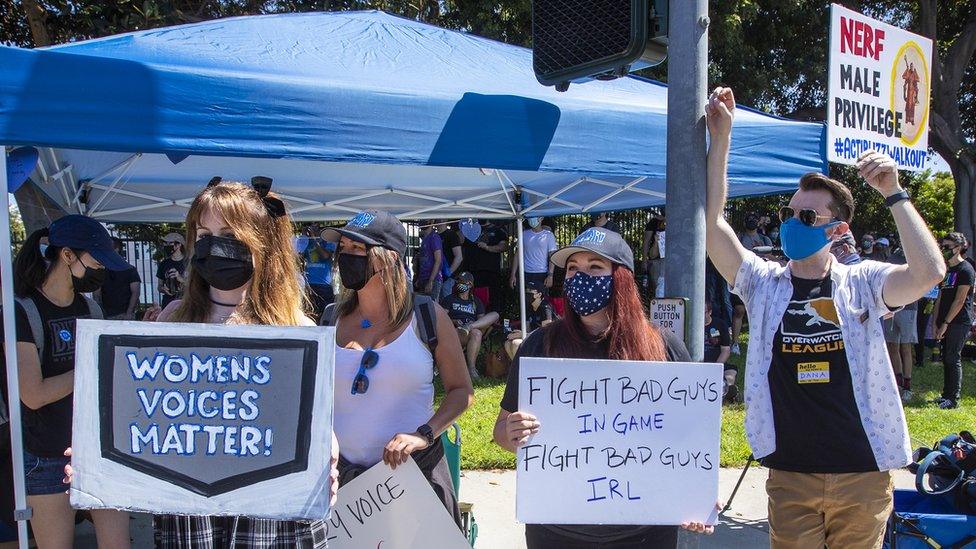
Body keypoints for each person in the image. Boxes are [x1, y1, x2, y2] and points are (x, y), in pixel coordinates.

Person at [705, 87, 945, 549]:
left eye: (806, 215)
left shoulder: (863, 283)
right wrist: (722, 140)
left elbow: (929, 272)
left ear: (837, 230)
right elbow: (713, 226)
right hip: (790, 471)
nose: (791, 222)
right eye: (788, 212)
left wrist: (894, 192)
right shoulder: (762, 282)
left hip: (861, 471)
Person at [493, 227, 712, 547]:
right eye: (573, 269)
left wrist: (697, 496)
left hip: (644, 533)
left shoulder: (663, 347)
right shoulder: (540, 345)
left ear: (620, 278)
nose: (581, 277)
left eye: (595, 267)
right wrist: (511, 433)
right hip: (555, 529)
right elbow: (501, 431)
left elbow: (693, 439)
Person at [149, 180, 339, 547]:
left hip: (271, 510)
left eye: (228, 233)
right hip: (194, 508)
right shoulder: (174, 319)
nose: (212, 244)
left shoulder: (296, 328)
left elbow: (315, 417)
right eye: (203, 233)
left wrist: (327, 451)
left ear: (261, 243)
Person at [321, 209, 473, 525]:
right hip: (343, 489)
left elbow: (462, 392)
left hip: (414, 477)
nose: (345, 256)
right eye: (343, 247)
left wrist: (425, 435)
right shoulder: (330, 318)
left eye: (357, 249)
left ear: (388, 259)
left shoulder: (427, 316)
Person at [11, 217, 132, 549]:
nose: (100, 269)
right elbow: (33, 394)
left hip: (98, 452)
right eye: (96, 260)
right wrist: (92, 366)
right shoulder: (22, 312)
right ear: (67, 255)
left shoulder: (91, 309)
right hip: (45, 454)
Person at [932, 232, 973, 410]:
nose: (944, 250)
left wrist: (946, 322)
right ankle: (945, 395)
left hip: (958, 321)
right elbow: (941, 297)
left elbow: (960, 300)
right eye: (943, 246)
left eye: (948, 247)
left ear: (959, 248)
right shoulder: (947, 270)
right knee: (945, 358)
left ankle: (953, 398)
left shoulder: (966, 270)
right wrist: (935, 321)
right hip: (944, 320)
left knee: (952, 357)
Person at [441, 271, 500, 380]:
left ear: (470, 284)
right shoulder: (449, 299)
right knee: (475, 333)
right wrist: (454, 321)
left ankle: (471, 368)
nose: (459, 284)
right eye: (458, 281)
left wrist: (472, 326)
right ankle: (472, 368)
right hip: (457, 332)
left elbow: (482, 321)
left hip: (473, 330)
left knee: (494, 315)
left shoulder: (476, 301)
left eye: (462, 282)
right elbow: (441, 319)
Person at [730, 214, 772, 355]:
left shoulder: (765, 239)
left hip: (762, 279)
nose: (752, 222)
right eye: (749, 219)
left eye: (755, 219)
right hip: (743, 278)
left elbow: (772, 256)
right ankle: (735, 343)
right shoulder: (739, 238)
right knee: (739, 310)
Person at [883, 249, 918, 402]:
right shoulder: (891, 257)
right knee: (892, 346)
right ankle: (897, 385)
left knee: (906, 347)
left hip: (908, 309)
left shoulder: (915, 257)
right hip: (890, 308)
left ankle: (908, 386)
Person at [461, 219, 509, 314]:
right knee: (471, 301)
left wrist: (487, 247)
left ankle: (492, 323)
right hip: (471, 272)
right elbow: (460, 242)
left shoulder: (498, 230)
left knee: (493, 302)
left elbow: (504, 247)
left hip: (491, 272)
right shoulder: (469, 229)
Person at [504, 282, 557, 360]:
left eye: (530, 290)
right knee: (508, 343)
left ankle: (523, 369)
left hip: (548, 343)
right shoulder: (529, 308)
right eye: (526, 290)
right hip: (535, 338)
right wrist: (517, 333)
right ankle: (517, 370)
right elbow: (527, 329)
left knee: (516, 344)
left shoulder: (545, 308)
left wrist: (523, 334)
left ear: (539, 294)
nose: (526, 293)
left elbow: (546, 333)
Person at [95, 237, 141, 320]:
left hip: (115, 313)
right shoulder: (130, 269)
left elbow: (136, 293)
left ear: (117, 249)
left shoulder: (102, 269)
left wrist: (129, 313)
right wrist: (129, 313)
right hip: (116, 313)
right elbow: (136, 292)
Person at [299, 222, 337, 323]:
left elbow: (325, 256)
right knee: (310, 314)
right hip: (310, 285)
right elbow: (298, 259)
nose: (310, 228)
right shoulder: (306, 242)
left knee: (326, 316)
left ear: (319, 227)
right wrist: (304, 238)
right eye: (308, 225)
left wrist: (315, 239)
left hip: (324, 285)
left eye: (313, 225)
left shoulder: (327, 241)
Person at [509, 217, 557, 291]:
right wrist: (513, 275)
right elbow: (517, 255)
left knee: (540, 301)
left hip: (541, 274)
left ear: (541, 218)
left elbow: (552, 256)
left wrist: (550, 275)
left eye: (534, 217)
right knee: (526, 300)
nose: (531, 219)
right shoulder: (524, 234)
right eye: (530, 217)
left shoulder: (548, 235)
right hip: (525, 273)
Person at [704, 302, 737, 404]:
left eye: (703, 312)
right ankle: (721, 391)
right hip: (697, 363)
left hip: (716, 363)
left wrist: (716, 367)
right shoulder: (689, 324)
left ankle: (728, 390)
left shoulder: (720, 325)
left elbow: (725, 351)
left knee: (731, 373)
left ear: (710, 312)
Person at [156, 232, 186, 309]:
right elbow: (159, 286)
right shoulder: (163, 264)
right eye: (165, 243)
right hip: (168, 304)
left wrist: (180, 278)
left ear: (179, 245)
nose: (166, 246)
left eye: (170, 243)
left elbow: (197, 285)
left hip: (186, 303)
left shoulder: (190, 263)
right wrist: (163, 289)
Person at [415, 220, 443, 299]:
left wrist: (431, 281)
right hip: (424, 278)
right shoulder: (425, 238)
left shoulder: (434, 237)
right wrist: (419, 278)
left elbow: (438, 260)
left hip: (433, 279)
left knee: (432, 306)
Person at [438, 221, 464, 299]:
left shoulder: (451, 235)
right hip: (437, 276)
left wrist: (449, 273)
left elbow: (459, 256)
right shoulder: (434, 236)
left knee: (446, 302)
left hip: (448, 278)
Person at [642, 214, 666, 298]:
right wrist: (644, 261)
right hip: (657, 260)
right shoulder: (654, 221)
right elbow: (646, 242)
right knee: (658, 289)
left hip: (673, 260)